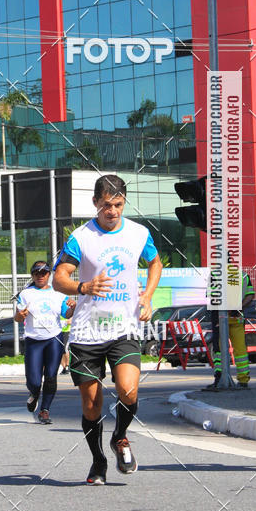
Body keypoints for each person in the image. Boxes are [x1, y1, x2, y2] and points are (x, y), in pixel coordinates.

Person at [54, 174, 162, 484]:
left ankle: (120, 437)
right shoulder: (81, 237)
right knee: (92, 404)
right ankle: (98, 459)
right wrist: (84, 286)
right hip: (87, 333)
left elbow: (155, 264)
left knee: (128, 390)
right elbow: (59, 278)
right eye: (105, 205)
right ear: (95, 203)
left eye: (117, 204)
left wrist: (147, 296)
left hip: (123, 328)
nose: (112, 211)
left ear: (124, 202)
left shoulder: (139, 234)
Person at [15, 260, 76, 424]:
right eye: (36, 273)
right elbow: (17, 317)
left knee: (50, 377)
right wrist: (21, 315)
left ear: (49, 275)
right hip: (33, 340)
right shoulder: (26, 294)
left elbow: (67, 314)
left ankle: (45, 411)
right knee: (34, 381)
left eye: (44, 273)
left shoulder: (59, 294)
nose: (40, 276)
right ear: (32, 275)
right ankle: (34, 394)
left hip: (54, 340)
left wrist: (73, 307)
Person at [206, 271, 254, 390]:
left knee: (219, 349)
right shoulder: (242, 275)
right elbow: (250, 295)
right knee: (240, 349)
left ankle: (220, 377)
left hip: (220, 318)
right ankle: (243, 380)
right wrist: (239, 307)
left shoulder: (215, 274)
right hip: (236, 317)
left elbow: (212, 296)